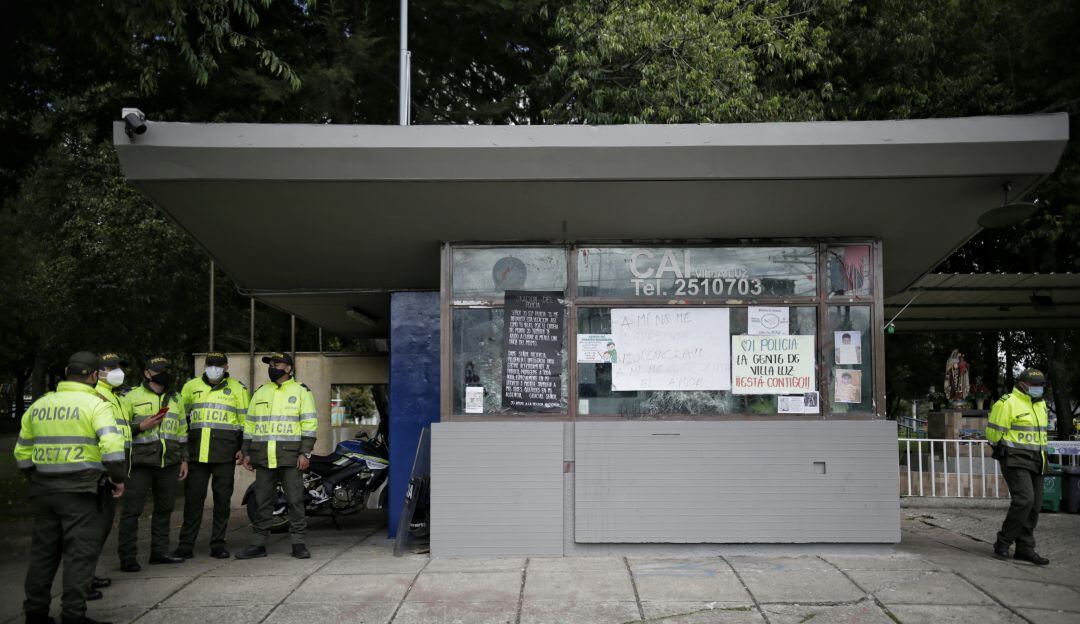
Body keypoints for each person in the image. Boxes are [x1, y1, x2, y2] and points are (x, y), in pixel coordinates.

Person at [14, 351, 127, 624]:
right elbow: (112, 449)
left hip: (43, 491)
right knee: (80, 555)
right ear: (91, 375)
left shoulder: (39, 405)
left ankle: (36, 614)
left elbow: (22, 455)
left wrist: (39, 478)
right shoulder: (95, 405)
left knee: (43, 555)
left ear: (67, 371)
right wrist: (116, 478)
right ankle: (74, 615)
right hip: (82, 492)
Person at [235, 353, 317, 560]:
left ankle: (298, 542)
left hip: (290, 456)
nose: (273, 367)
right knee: (262, 500)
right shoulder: (261, 392)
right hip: (263, 456)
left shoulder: (301, 392)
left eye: (277, 363)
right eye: (271, 364)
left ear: (288, 368)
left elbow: (309, 425)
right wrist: (246, 451)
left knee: (295, 500)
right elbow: (250, 425)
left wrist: (305, 452)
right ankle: (258, 543)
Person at [173, 352, 250, 560]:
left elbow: (246, 423)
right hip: (197, 455)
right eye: (210, 364)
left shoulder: (238, 388)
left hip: (225, 454)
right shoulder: (191, 387)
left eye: (218, 365)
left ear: (226, 366)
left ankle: (218, 543)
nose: (213, 368)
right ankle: (185, 545)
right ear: (205, 366)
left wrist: (245, 449)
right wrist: (183, 454)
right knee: (193, 502)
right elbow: (182, 421)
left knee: (222, 502)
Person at [117, 356, 188, 572]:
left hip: (169, 462)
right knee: (132, 511)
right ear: (147, 373)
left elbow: (182, 431)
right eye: (159, 370)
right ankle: (128, 557)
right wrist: (141, 426)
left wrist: (184, 458)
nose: (164, 373)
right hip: (140, 463)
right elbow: (118, 430)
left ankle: (160, 552)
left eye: (167, 369)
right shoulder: (130, 397)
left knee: (164, 509)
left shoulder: (175, 398)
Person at [986, 368, 1050, 565]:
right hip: (1015, 458)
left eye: (1041, 386)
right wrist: (1004, 449)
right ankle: (1003, 541)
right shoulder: (1007, 403)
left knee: (1035, 505)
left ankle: (1025, 548)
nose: (1039, 389)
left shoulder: (1041, 405)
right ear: (1023, 385)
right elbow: (993, 434)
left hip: (1038, 459)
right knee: (1025, 500)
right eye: (1035, 386)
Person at [88, 353, 134, 600]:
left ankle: (87, 576)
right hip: (101, 471)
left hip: (113, 470)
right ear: (98, 373)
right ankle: (82, 581)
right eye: (111, 368)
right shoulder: (97, 397)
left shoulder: (116, 398)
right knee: (94, 530)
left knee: (102, 528)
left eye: (119, 367)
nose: (118, 372)